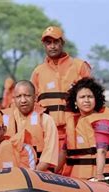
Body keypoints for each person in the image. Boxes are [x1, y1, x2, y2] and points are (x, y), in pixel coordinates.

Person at [31, 25, 91, 171]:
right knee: (52, 171)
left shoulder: (79, 66)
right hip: (50, 131)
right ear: (44, 45)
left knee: (76, 170)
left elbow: (93, 98)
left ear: (62, 43)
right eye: (48, 42)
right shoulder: (38, 72)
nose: (52, 46)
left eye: (55, 42)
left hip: (76, 129)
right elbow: (33, 104)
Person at [64, 77, 109, 180]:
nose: (86, 100)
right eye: (82, 97)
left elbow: (102, 151)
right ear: (75, 102)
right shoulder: (73, 123)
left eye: (90, 97)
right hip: (77, 178)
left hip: (103, 176)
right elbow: (64, 152)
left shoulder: (103, 121)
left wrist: (99, 175)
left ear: (96, 99)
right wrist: (53, 173)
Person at [4, 80, 58, 172]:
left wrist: (30, 176)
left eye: (27, 96)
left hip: (39, 174)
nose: (23, 100)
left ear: (35, 97)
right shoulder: (5, 120)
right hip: (12, 174)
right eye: (19, 96)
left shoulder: (46, 120)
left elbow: (48, 158)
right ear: (14, 99)